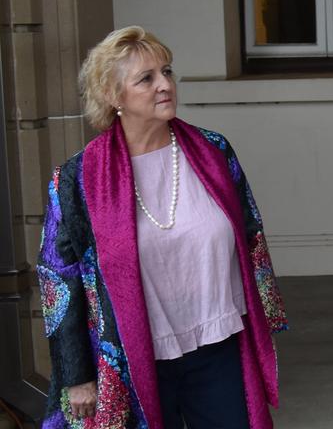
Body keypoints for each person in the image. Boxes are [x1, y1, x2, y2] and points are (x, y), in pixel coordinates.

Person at [37, 26, 287, 429]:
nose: (164, 85)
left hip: (217, 345)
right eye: (146, 78)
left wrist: (264, 319)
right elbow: (57, 279)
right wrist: (76, 375)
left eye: (167, 72)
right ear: (113, 96)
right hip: (131, 358)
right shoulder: (77, 180)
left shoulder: (213, 151)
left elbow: (251, 235)